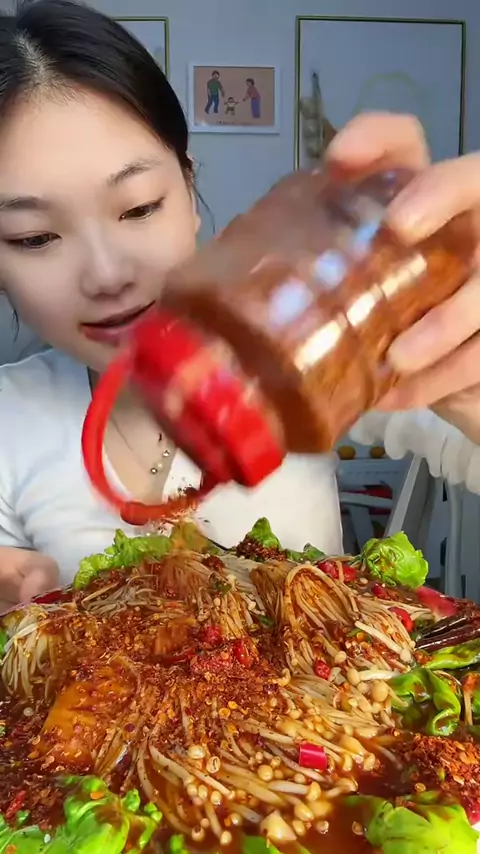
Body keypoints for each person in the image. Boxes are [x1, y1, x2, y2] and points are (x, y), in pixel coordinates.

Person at [1, 1, 480, 610]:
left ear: (189, 189)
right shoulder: (11, 419)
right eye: (34, 237)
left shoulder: (313, 348)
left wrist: (469, 395)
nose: (107, 275)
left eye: (139, 207)